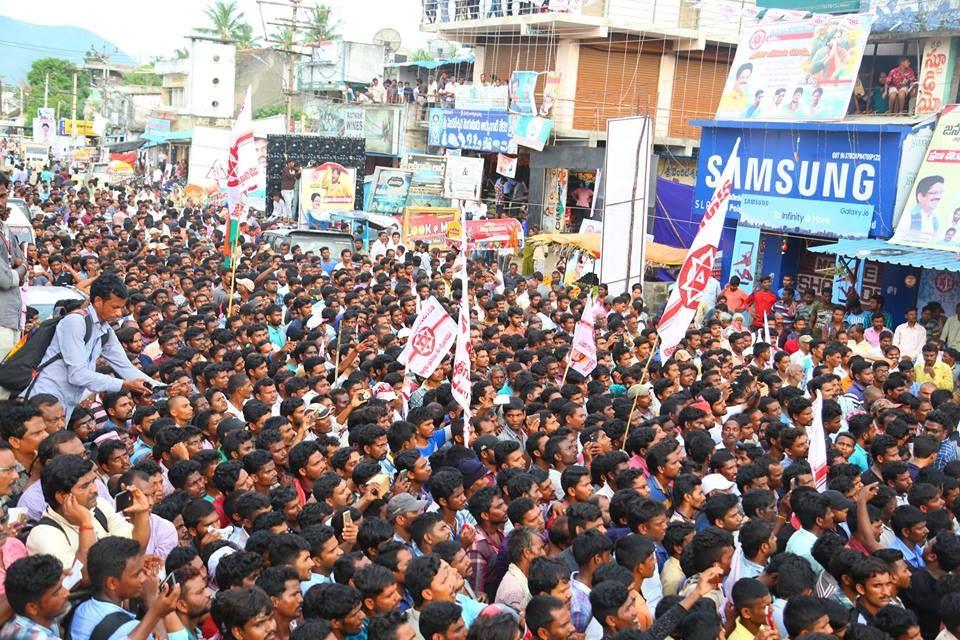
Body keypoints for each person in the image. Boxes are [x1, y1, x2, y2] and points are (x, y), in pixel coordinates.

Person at [24, 274, 152, 419]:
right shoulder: (75, 322)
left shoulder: (106, 330)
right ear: (98, 301)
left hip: (67, 402)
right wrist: (124, 384)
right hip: (45, 398)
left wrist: (157, 386)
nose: (118, 313)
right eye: (115, 307)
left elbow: (125, 366)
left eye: (121, 308)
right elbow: (77, 375)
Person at [69, 536, 181, 640]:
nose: (144, 578)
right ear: (112, 583)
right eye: (137, 574)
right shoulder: (129, 628)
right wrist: (151, 600)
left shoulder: (81, 609)